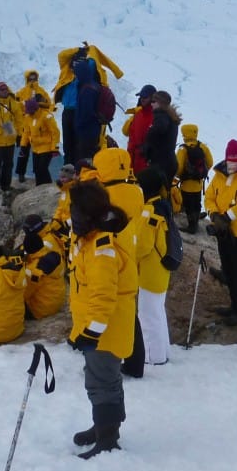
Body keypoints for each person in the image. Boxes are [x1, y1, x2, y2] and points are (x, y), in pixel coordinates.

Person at [67, 179, 137, 459]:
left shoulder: (101, 249)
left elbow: (103, 295)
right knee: (104, 378)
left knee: (101, 382)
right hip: (100, 327)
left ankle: (107, 439)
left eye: (74, 212)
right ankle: (104, 427)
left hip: (103, 331)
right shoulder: (92, 239)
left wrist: (91, 332)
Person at [93, 146, 146, 378]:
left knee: (106, 308)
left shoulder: (103, 196)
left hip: (109, 258)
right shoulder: (136, 191)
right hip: (131, 257)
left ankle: (104, 359)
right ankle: (136, 362)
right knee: (129, 312)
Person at [204, 139, 237, 326]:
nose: (234, 165)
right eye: (231, 161)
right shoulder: (219, 176)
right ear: (227, 159)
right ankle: (234, 306)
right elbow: (209, 196)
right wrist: (214, 215)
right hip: (223, 231)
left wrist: (227, 217)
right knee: (228, 269)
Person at [53, 42, 124, 166]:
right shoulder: (67, 71)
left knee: (80, 144)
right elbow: (62, 55)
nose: (76, 65)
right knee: (68, 143)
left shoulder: (89, 71)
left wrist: (89, 50)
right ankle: (68, 167)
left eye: (79, 63)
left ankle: (77, 170)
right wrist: (78, 50)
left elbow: (93, 59)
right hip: (67, 111)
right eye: (75, 62)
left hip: (80, 111)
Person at [135, 168, 175, 366]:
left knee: (148, 314)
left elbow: (142, 246)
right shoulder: (164, 206)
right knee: (157, 311)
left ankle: (153, 356)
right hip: (161, 268)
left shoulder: (149, 212)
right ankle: (163, 350)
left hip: (150, 270)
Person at [18, 214, 66, 320]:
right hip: (57, 298)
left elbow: (24, 295)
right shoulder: (52, 254)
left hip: (41, 308)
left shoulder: (34, 270)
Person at [14, 69, 53, 182]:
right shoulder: (21, 93)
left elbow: (49, 105)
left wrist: (40, 102)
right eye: (30, 78)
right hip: (25, 127)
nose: (32, 80)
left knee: (38, 153)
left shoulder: (42, 92)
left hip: (39, 127)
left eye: (34, 78)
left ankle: (39, 175)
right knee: (23, 151)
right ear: (27, 79)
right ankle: (21, 173)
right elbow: (16, 108)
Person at [175, 123, 213, 233]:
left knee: (188, 203)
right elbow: (210, 162)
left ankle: (192, 225)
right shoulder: (202, 146)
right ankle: (196, 216)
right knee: (197, 201)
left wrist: (179, 175)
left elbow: (179, 167)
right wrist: (201, 173)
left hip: (186, 184)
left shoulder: (183, 149)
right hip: (198, 183)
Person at [17, 95, 61, 185]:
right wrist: (23, 146)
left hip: (47, 147)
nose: (29, 113)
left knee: (42, 169)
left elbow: (55, 132)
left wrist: (55, 148)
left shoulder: (46, 116)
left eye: (30, 112)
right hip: (36, 149)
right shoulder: (28, 117)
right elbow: (26, 133)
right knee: (37, 170)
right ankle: (39, 187)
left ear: (35, 109)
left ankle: (48, 187)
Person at [142, 90, 181, 186]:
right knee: (165, 192)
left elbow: (159, 129)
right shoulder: (171, 117)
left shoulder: (161, 116)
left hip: (160, 163)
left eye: (153, 101)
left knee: (156, 193)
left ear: (160, 103)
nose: (151, 104)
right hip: (170, 161)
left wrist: (147, 146)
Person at [125, 84, 157, 174]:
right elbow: (131, 139)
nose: (142, 98)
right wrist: (129, 161)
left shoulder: (158, 116)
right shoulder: (138, 114)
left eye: (145, 97)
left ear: (152, 98)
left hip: (149, 163)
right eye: (141, 96)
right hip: (136, 162)